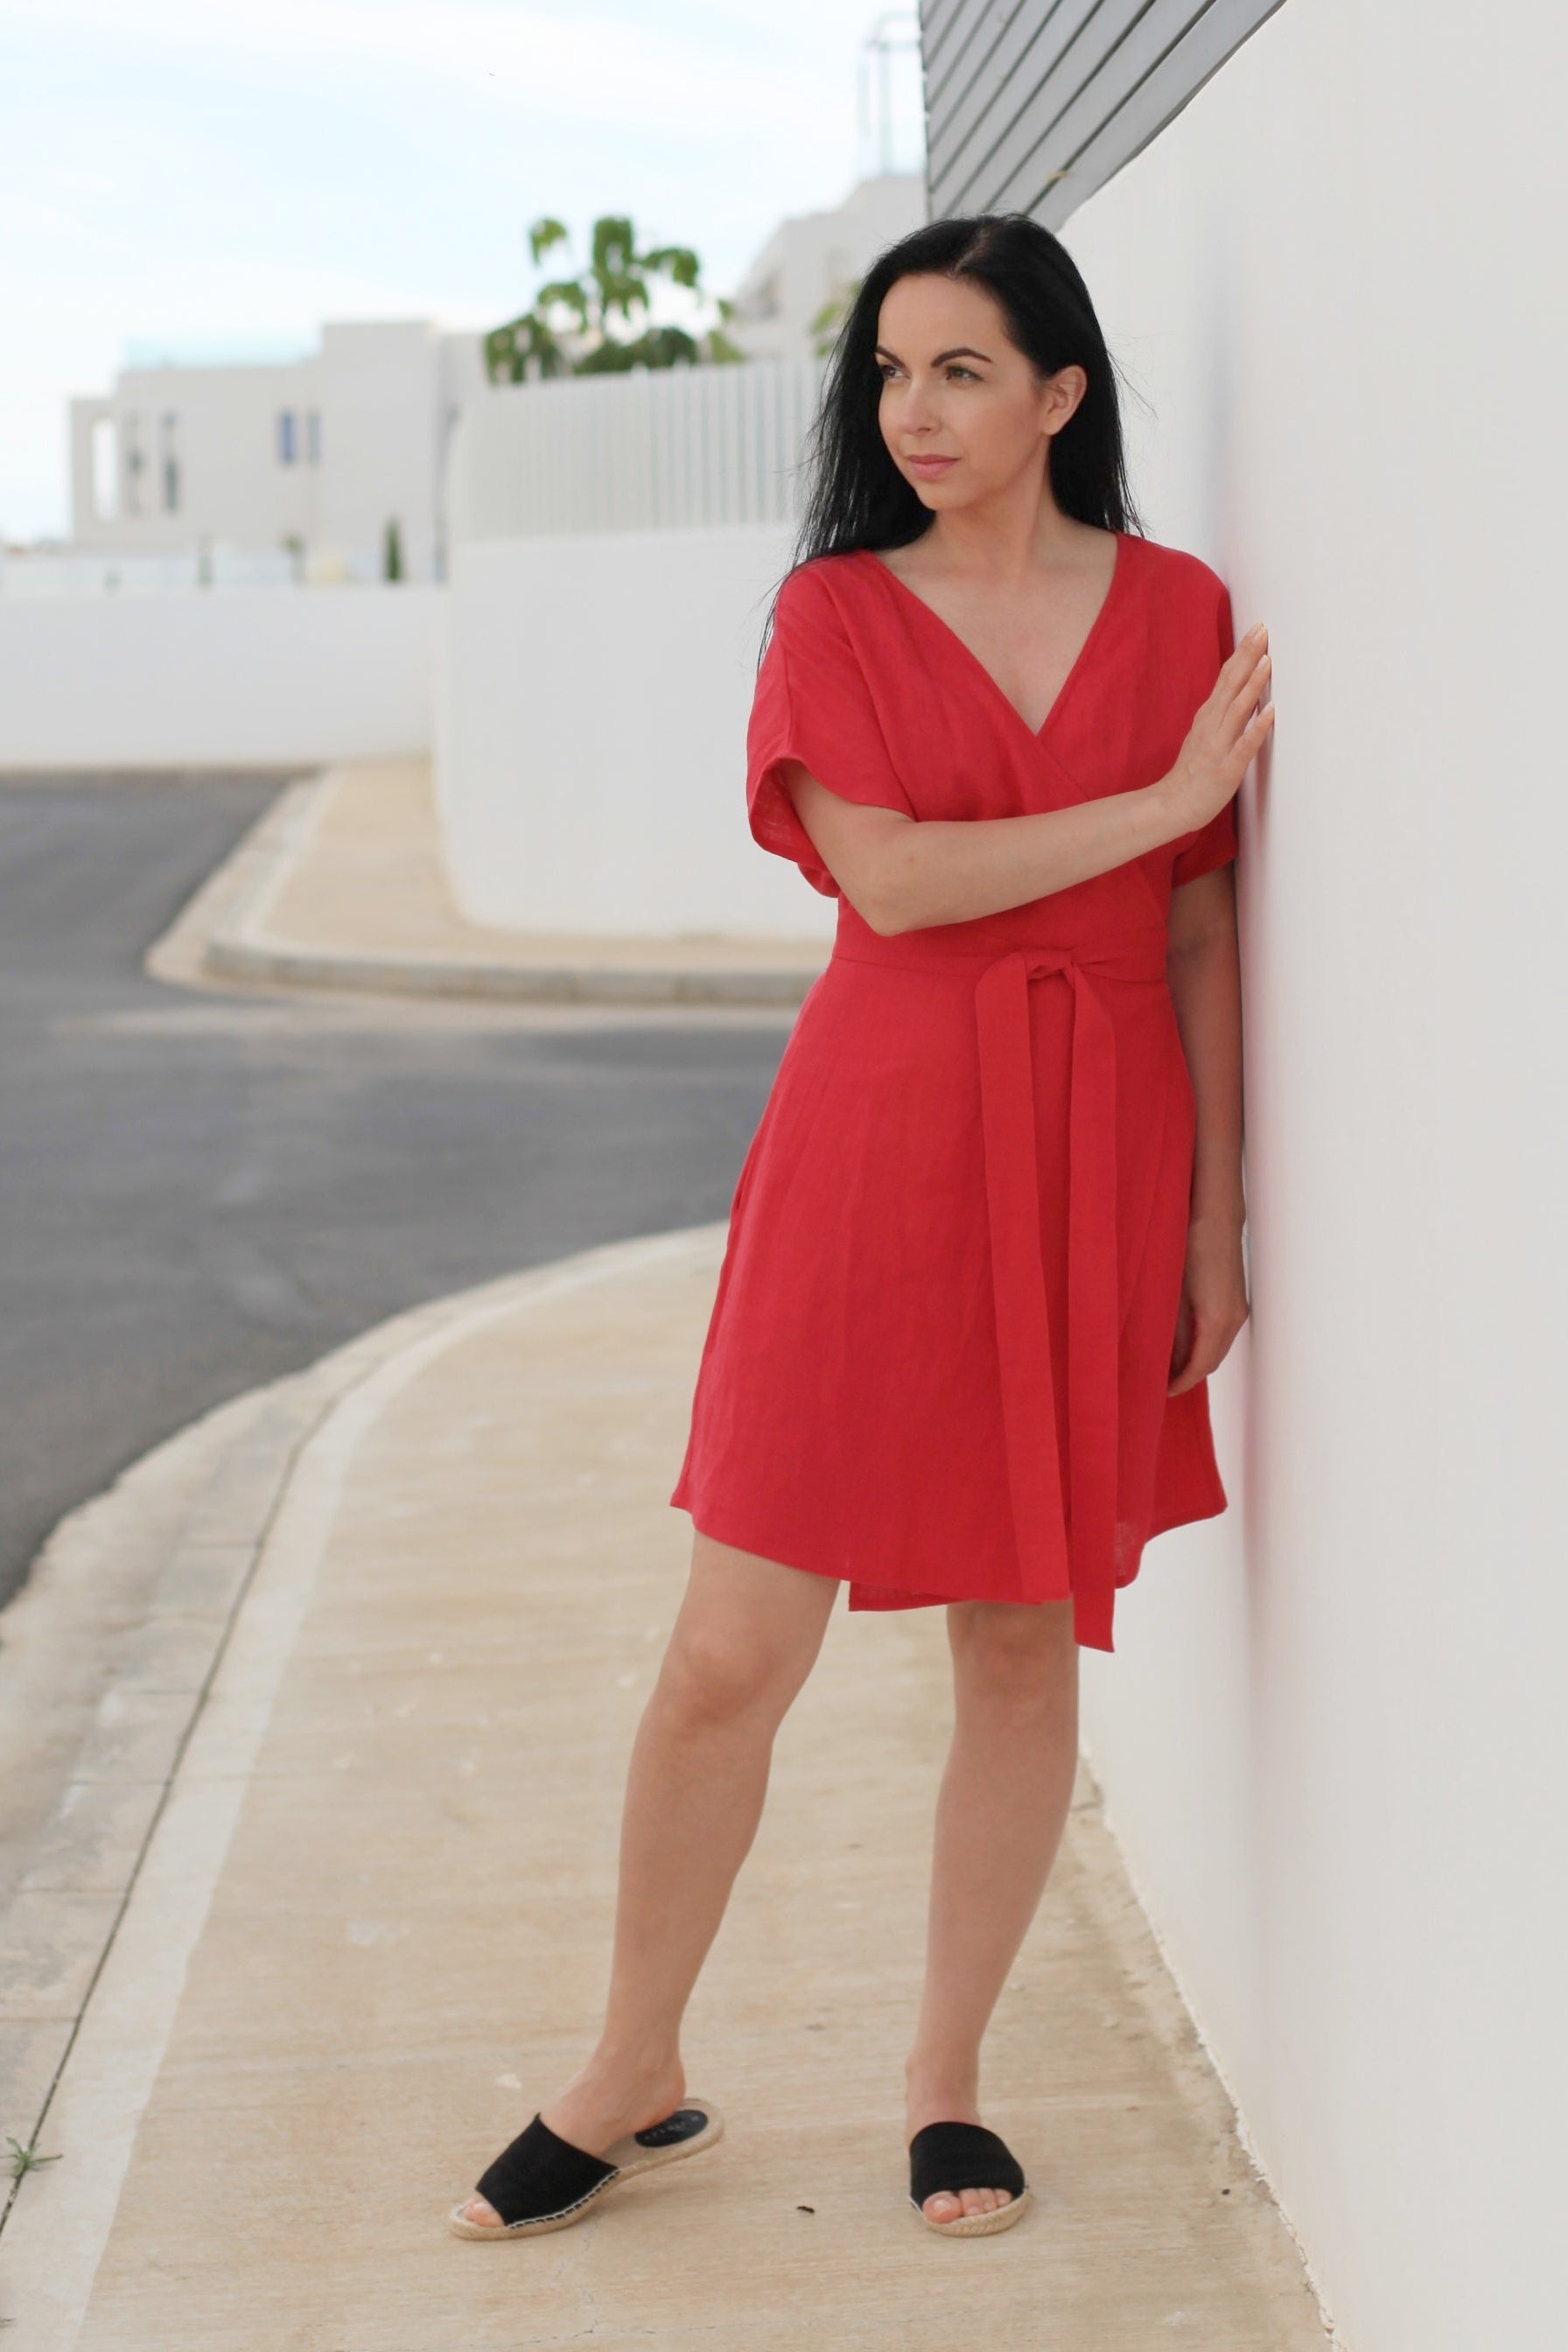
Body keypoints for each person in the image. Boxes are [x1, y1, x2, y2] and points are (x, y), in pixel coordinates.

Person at [450, 212, 1271, 2245]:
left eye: (960, 371)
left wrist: (1212, 1217)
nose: (910, 412)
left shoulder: (1177, 613)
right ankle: (631, 2065)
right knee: (731, 1647)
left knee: (1014, 1631)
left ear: (1060, 393)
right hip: (876, 1138)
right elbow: (891, 888)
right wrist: (1160, 800)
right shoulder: (830, 612)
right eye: (888, 374)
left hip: (1095, 1142)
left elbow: (1196, 927)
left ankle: (944, 2086)